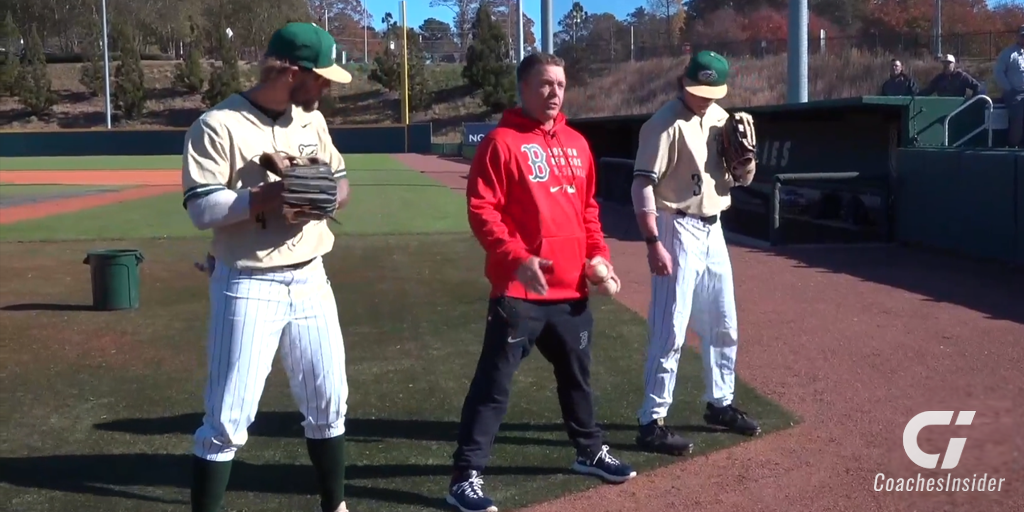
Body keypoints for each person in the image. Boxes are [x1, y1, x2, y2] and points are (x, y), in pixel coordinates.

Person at [448, 52, 636, 512]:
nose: (555, 93)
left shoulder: (577, 143)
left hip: (572, 291)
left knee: (577, 378)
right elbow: (482, 210)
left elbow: (589, 211)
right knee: (494, 385)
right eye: (545, 84)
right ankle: (464, 478)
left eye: (561, 85)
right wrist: (516, 259)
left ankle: (589, 451)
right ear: (524, 88)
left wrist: (600, 257)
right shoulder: (501, 142)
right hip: (519, 293)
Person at [181, 22, 353, 512]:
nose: (326, 86)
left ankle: (334, 507)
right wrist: (274, 192)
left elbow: (341, 183)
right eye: (320, 77)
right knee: (228, 419)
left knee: (329, 404)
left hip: (312, 276)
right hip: (249, 282)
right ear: (291, 71)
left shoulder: (311, 122)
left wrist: (324, 192)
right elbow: (201, 210)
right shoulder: (218, 125)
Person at [630, 50, 761, 456]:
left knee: (724, 323)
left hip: (713, 228)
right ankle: (651, 421)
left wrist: (746, 166)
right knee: (670, 328)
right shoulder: (663, 124)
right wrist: (653, 242)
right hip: (676, 227)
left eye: (711, 91)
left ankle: (719, 404)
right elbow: (642, 185)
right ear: (683, 83)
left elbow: (738, 178)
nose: (704, 97)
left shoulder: (723, 119)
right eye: (697, 89)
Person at [995, 25, 1024, 148]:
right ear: (1018, 36)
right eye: (1022, 36)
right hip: (1015, 93)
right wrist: (1009, 89)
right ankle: (1013, 146)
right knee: (1018, 118)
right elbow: (998, 72)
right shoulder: (1008, 53)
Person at [919, 54, 986, 98]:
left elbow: (977, 87)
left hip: (958, 109)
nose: (946, 65)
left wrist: (972, 101)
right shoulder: (939, 78)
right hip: (942, 106)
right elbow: (927, 90)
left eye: (948, 63)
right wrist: (915, 96)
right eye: (944, 63)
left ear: (953, 64)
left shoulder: (961, 76)